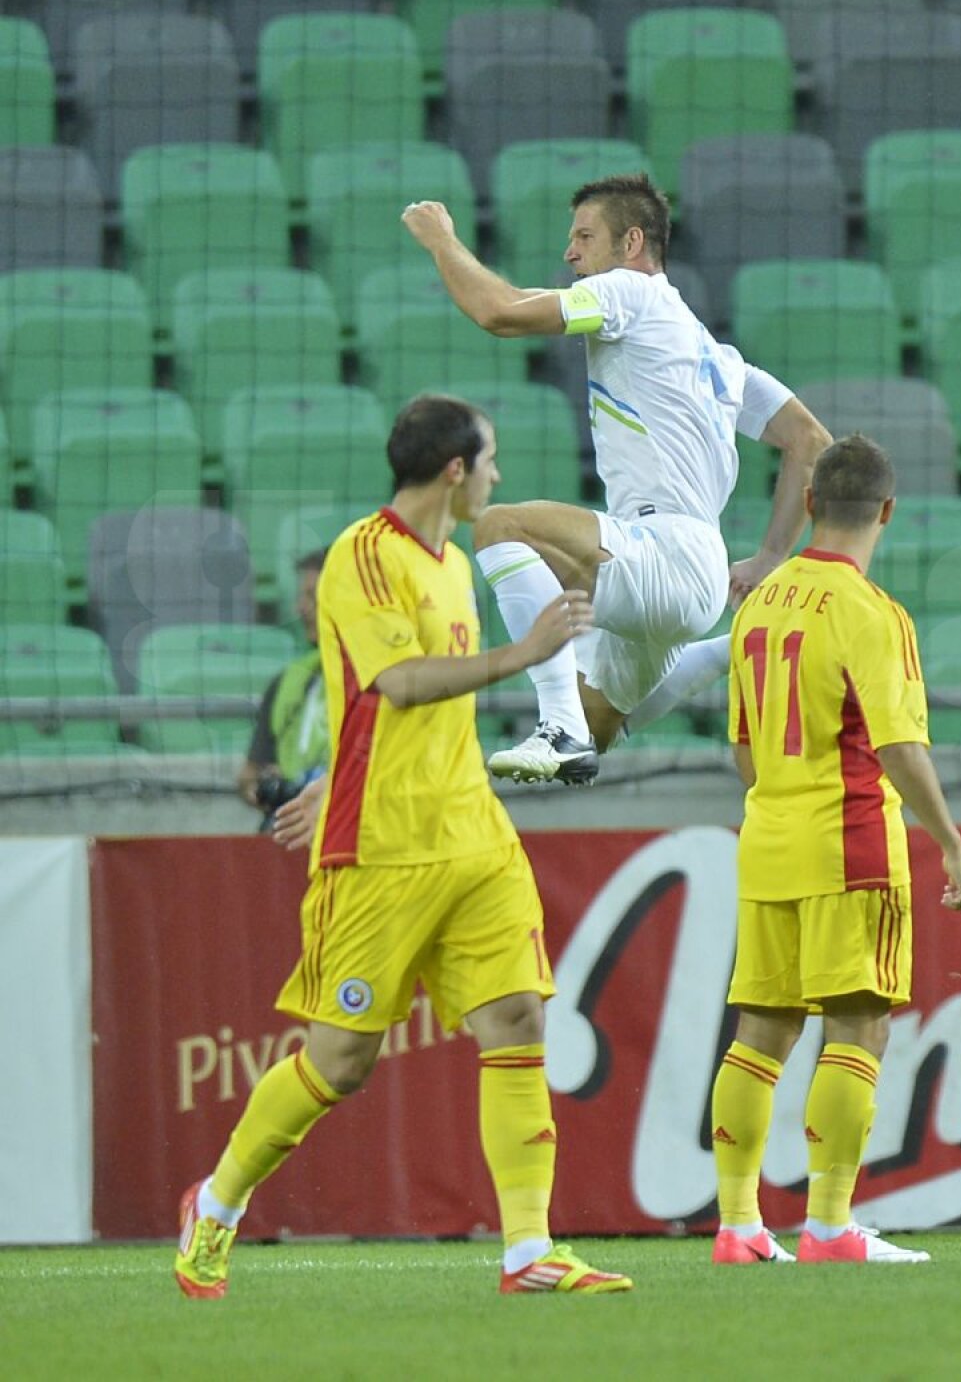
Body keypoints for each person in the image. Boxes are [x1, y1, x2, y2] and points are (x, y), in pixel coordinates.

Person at [174, 394, 632, 1299]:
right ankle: (217, 1203)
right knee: (339, 1063)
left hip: (473, 834)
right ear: (456, 468)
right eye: (490, 460)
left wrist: (329, 772)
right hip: (382, 849)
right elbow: (397, 681)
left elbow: (374, 709)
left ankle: (527, 1249)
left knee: (517, 1020)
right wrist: (521, 654)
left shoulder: (456, 563)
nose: (497, 477)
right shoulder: (363, 554)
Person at [402, 173, 831, 787]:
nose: (570, 253)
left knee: (501, 526)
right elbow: (811, 442)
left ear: (632, 243)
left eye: (583, 236)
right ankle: (733, 648)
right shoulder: (718, 356)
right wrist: (768, 555)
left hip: (664, 554)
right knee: (598, 724)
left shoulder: (633, 293)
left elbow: (499, 313)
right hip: (692, 573)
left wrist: (441, 241)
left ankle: (557, 726)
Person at [710, 434, 961, 1267]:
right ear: (888, 512)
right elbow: (901, 747)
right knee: (858, 1029)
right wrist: (952, 847)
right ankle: (829, 1225)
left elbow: (745, 753)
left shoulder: (756, 602)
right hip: (851, 845)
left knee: (760, 1031)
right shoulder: (875, 614)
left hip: (767, 842)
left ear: (814, 506)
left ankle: (737, 1226)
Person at [236, 549, 329, 824]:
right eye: (302, 596)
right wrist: (262, 789)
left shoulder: (382, 684)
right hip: (287, 834)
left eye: (312, 596)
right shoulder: (289, 681)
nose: (299, 608)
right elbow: (248, 776)